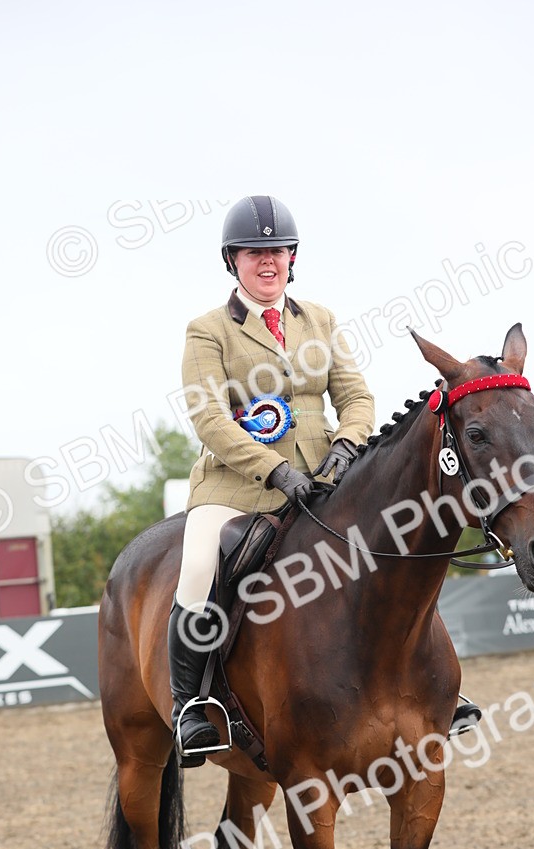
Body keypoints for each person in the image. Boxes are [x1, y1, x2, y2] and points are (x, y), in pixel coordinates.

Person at [169, 194, 376, 765]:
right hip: (237, 485)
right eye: (253, 252)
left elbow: (355, 397)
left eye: (277, 251)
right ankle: (189, 707)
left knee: (394, 541)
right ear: (231, 260)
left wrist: (346, 446)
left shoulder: (321, 320)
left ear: (292, 257)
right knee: (198, 567)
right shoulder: (208, 330)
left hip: (324, 478)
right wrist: (274, 469)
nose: (267, 261)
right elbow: (209, 417)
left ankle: (430, 686)